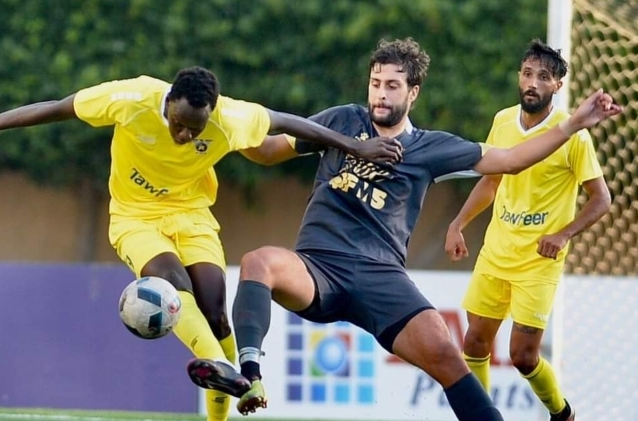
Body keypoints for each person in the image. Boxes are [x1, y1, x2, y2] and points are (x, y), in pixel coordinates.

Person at [185, 38, 622, 421]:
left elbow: (509, 161)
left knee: (448, 355)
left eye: (392, 85)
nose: (380, 93)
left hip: (382, 279)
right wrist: (220, 119)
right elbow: (266, 151)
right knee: (258, 261)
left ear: (413, 92)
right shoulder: (342, 121)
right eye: (375, 83)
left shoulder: (430, 147)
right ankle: (250, 377)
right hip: (318, 269)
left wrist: (571, 125)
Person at [0, 66, 404, 421]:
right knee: (170, 283)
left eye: (195, 130)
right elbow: (60, 107)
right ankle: (227, 371)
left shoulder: (230, 118)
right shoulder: (132, 97)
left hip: (193, 216)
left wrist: (355, 147)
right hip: (135, 217)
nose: (185, 135)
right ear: (168, 102)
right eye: (180, 124)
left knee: (214, 308)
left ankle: (227, 393)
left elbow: (291, 123)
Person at [443, 39, 611, 421]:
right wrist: (458, 223)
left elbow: (602, 198)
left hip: (538, 261)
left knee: (522, 356)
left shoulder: (574, 136)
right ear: (519, 77)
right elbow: (491, 181)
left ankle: (562, 413)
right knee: (474, 342)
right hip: (496, 251)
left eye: (544, 77)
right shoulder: (503, 121)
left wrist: (563, 234)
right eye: (528, 74)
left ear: (558, 85)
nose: (533, 83)